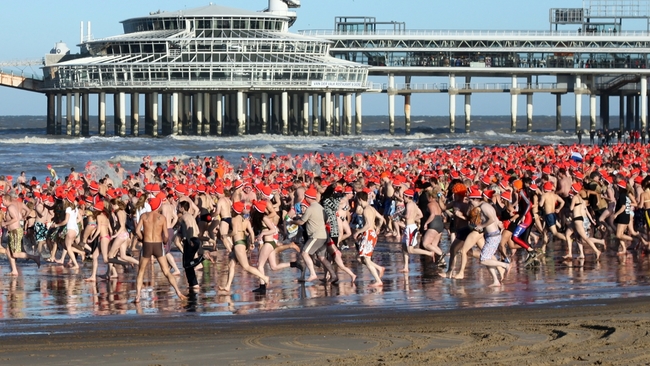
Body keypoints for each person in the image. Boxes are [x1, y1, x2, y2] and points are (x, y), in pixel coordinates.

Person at [134, 196, 186, 303]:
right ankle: (178, 292)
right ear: (158, 206)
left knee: (141, 271)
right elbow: (166, 236)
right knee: (166, 271)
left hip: (147, 244)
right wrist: (165, 242)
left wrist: (142, 238)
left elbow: (137, 231)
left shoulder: (144, 216)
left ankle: (138, 296)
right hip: (158, 244)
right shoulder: (162, 218)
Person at [218, 201, 269, 293]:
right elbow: (251, 233)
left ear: (234, 210)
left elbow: (234, 232)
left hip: (238, 245)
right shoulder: (246, 221)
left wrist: (226, 235)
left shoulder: (233, 219)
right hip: (243, 244)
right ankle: (227, 286)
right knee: (231, 265)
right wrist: (252, 243)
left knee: (246, 266)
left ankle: (264, 277)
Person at [288, 188, 337, 283]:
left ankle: (313, 274)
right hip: (323, 235)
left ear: (309, 198)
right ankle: (333, 275)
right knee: (322, 257)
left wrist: (292, 221)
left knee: (304, 253)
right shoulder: (321, 207)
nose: (305, 198)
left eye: (306, 197)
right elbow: (327, 220)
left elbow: (301, 222)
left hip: (316, 236)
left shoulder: (310, 209)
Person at [1, 193, 40, 275]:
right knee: (8, 251)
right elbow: (18, 216)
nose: (2, 201)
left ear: (6, 200)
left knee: (15, 254)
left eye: (3, 200)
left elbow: (16, 218)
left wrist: (6, 223)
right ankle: (14, 271)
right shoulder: (11, 207)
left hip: (15, 231)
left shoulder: (11, 207)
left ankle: (34, 257)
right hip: (12, 232)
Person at [400, 189, 437, 273]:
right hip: (409, 227)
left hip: (410, 228)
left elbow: (407, 216)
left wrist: (400, 215)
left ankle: (430, 253)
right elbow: (420, 215)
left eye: (404, 196)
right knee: (404, 247)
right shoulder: (414, 205)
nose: (403, 198)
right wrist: (413, 219)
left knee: (410, 249)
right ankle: (405, 267)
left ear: (407, 197)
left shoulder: (409, 204)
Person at [354, 191, 385, 287]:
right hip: (371, 234)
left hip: (368, 234)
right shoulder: (372, 208)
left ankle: (378, 281)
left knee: (366, 259)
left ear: (359, 200)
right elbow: (381, 219)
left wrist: (358, 232)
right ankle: (379, 268)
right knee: (360, 258)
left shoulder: (366, 210)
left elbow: (367, 225)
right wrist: (378, 228)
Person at [177, 200, 203, 291]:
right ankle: (193, 283)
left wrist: (187, 239)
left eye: (179, 206)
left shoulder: (184, 217)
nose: (178, 208)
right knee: (187, 264)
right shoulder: (191, 216)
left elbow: (188, 228)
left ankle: (202, 258)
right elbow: (197, 230)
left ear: (183, 208)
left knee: (187, 264)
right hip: (195, 239)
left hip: (191, 240)